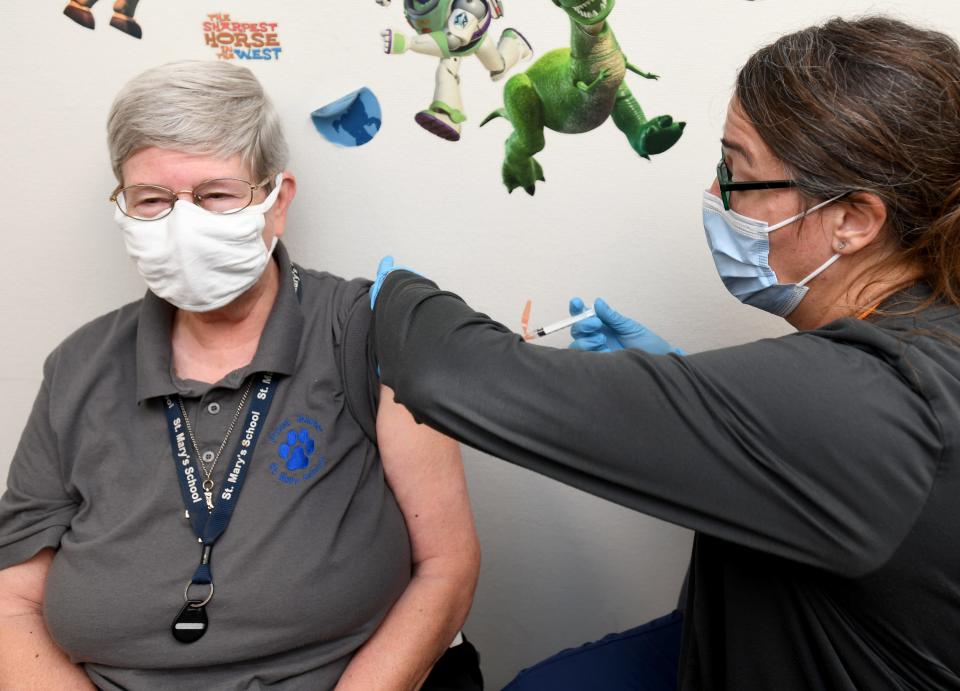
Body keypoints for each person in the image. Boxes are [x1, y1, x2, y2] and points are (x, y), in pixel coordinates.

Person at [368, 16, 960, 690]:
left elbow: (449, 375)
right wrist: (684, 381)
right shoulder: (930, 341)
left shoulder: (869, 402)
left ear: (853, 219)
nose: (714, 198)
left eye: (738, 176)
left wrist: (391, 298)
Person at [0, 61, 481, 691]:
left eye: (216, 195)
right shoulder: (79, 367)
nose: (182, 225)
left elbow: (447, 565)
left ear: (277, 202)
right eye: (152, 199)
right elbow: (12, 604)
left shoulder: (365, 334)